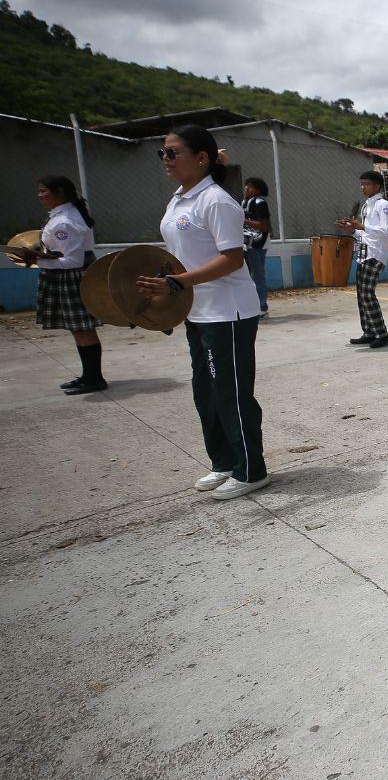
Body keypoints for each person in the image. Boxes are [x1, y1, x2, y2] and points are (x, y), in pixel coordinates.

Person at [136, 124, 269, 501]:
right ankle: (224, 462)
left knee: (231, 392)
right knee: (206, 391)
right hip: (197, 309)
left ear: (201, 157)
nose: (166, 158)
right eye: (162, 152)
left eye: (173, 152)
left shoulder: (216, 201)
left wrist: (177, 283)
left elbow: (232, 259)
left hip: (227, 312)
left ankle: (251, 470)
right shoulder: (179, 200)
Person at [27, 175, 106, 394]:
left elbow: (73, 261)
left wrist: (39, 261)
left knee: (82, 328)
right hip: (67, 275)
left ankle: (94, 379)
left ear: (59, 192)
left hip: (72, 277)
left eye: (44, 191)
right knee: (78, 329)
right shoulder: (62, 215)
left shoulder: (65, 221)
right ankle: (88, 376)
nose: (40, 195)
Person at [338, 171, 388, 349]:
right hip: (364, 253)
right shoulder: (367, 206)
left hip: (375, 254)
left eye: (367, 184)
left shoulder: (383, 205)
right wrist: (352, 230)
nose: (363, 187)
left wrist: (362, 226)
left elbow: (387, 231)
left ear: (377, 186)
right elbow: (365, 234)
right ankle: (369, 332)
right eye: (362, 184)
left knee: (367, 294)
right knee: (361, 295)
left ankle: (381, 334)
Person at [241, 177, 271, 317]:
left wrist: (243, 221)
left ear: (258, 190)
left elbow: (263, 226)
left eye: (251, 186)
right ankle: (251, 306)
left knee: (257, 275)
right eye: (246, 185)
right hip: (247, 243)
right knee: (248, 275)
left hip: (258, 243)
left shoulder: (259, 203)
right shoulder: (245, 202)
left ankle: (261, 307)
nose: (247, 188)